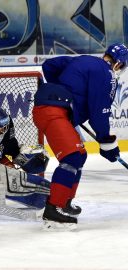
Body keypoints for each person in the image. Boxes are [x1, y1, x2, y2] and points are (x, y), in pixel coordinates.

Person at [32, 43, 128, 229]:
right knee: (72, 156)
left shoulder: (83, 59)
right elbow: (99, 113)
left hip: (51, 109)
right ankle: (54, 209)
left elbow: (49, 66)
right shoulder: (108, 75)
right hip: (53, 111)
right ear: (118, 65)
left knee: (80, 155)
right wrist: (107, 143)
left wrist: (65, 90)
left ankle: (65, 201)